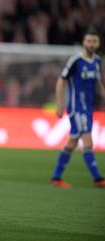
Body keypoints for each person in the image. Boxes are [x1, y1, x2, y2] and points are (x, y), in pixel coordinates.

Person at [50, 30, 105, 188]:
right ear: (83, 42)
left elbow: (98, 82)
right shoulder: (75, 60)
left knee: (72, 142)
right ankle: (98, 179)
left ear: (98, 44)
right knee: (88, 141)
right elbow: (61, 81)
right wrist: (59, 104)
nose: (91, 44)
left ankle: (56, 177)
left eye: (94, 41)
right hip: (76, 107)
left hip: (88, 107)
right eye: (89, 41)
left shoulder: (96, 61)